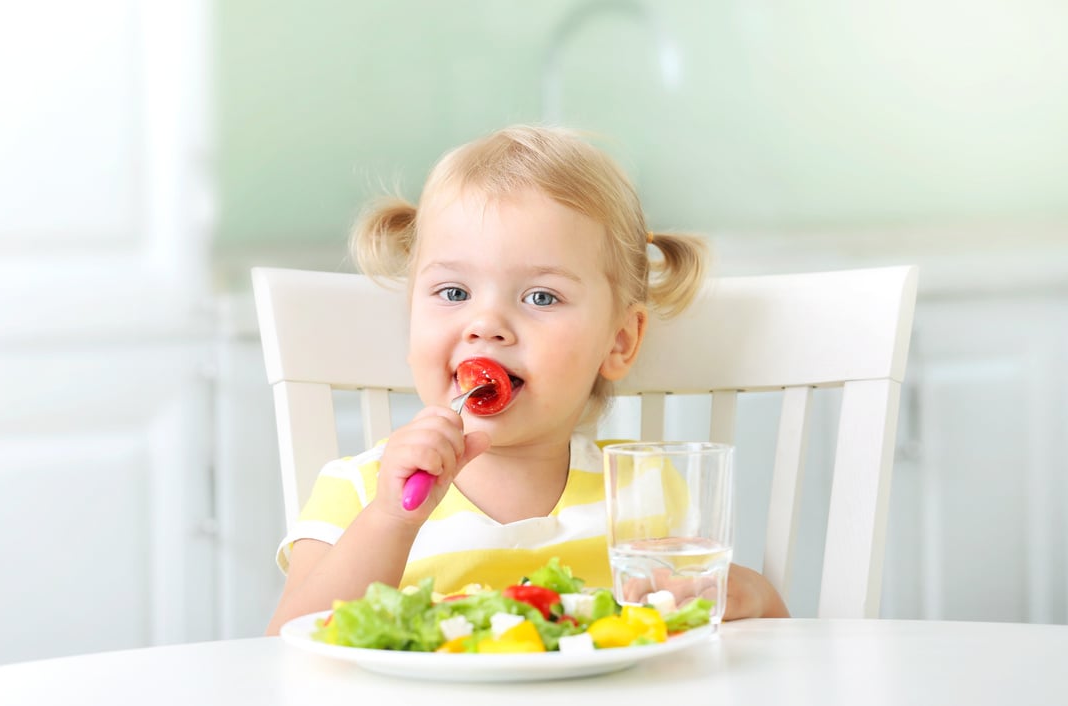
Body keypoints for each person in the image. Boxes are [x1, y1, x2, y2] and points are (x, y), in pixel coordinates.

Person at [265, 125, 789, 636]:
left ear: (620, 341)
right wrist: (389, 521)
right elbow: (285, 646)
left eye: (541, 297)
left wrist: (755, 597)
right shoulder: (359, 490)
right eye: (452, 293)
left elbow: (718, 648)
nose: (485, 324)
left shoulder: (644, 491)